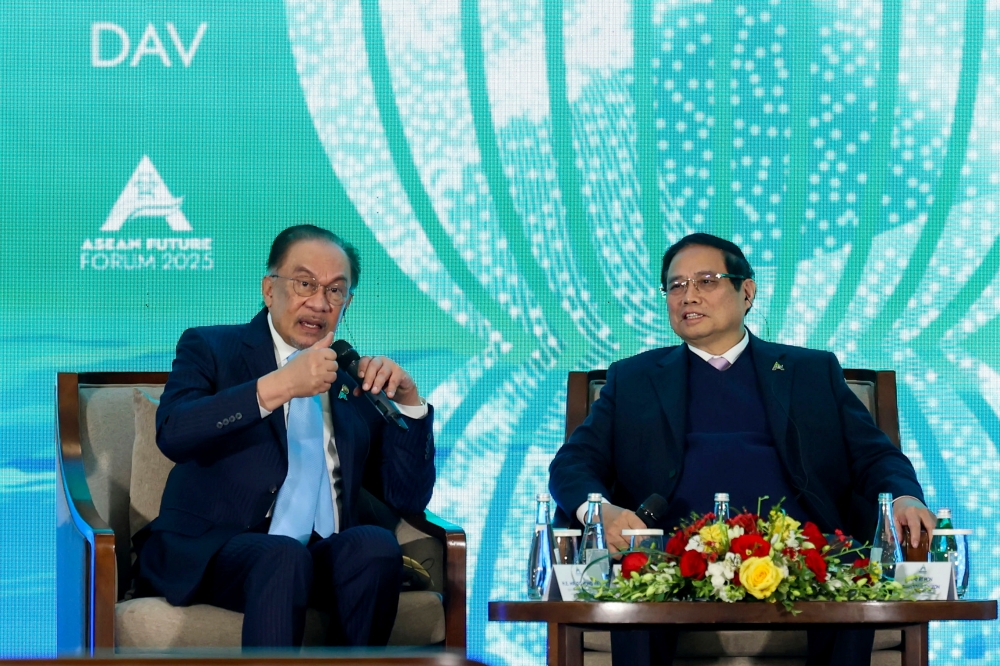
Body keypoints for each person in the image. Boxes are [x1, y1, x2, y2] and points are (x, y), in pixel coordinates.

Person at [548, 233, 936, 666]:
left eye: (706, 281)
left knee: (848, 574)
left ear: (746, 291)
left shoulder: (811, 372)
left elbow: (875, 456)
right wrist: (599, 512)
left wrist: (903, 497)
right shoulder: (634, 380)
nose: (688, 296)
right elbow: (573, 464)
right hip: (670, 555)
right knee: (635, 585)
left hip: (802, 552)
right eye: (676, 286)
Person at [133, 224, 435, 648]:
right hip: (217, 551)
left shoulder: (352, 378)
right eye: (305, 283)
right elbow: (174, 433)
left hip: (321, 556)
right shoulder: (212, 346)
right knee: (281, 555)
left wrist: (409, 402)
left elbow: (407, 499)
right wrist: (279, 386)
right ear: (269, 289)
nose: (318, 302)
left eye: (335, 291)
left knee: (373, 544)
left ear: (347, 305)